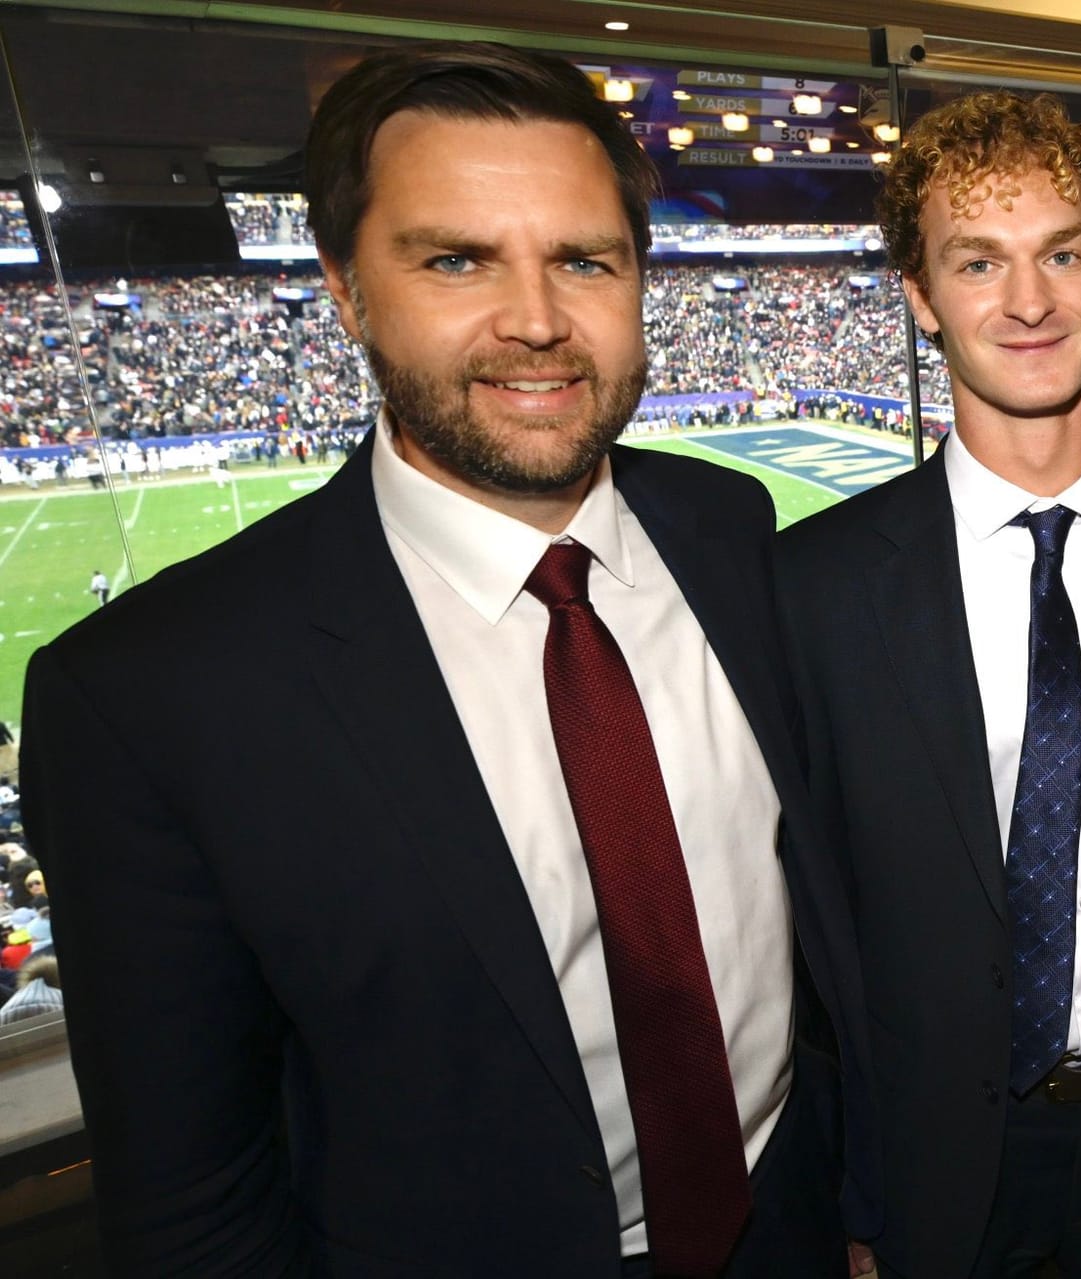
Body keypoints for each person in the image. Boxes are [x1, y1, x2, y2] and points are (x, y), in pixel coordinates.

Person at [24, 42, 877, 1277]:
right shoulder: (150, 694)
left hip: (787, 1224)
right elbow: (189, 1199)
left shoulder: (726, 526)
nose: (535, 320)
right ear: (344, 287)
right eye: (455, 259)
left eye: (584, 260)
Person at [775, 91, 1081, 1279]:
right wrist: (855, 1178)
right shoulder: (816, 580)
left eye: (1061, 253)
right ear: (919, 298)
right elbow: (814, 921)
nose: (1029, 300)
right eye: (977, 262)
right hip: (937, 1137)